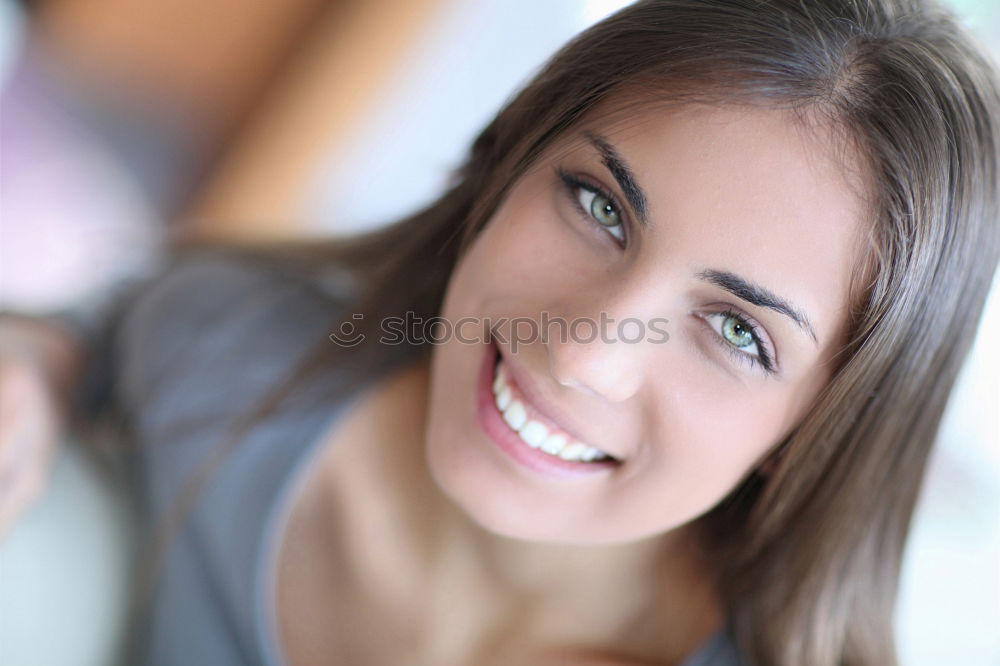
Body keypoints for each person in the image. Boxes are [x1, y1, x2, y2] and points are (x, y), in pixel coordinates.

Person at [2, 0, 998, 664]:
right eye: (599, 205)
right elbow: (104, 321)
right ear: (507, 165)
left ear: (819, 428)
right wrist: (38, 356)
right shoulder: (229, 355)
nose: (582, 351)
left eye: (737, 334)